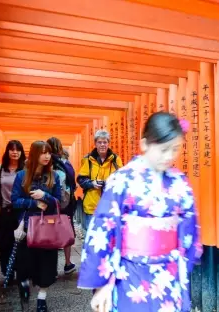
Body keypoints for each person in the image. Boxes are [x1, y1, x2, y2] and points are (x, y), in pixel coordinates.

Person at [77, 112, 202, 312]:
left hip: (168, 273)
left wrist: (182, 267)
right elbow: (102, 229)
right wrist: (102, 285)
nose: (169, 156)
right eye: (163, 150)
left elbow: (189, 229)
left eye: (175, 149)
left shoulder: (180, 182)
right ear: (144, 144)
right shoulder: (122, 180)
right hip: (130, 272)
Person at [11, 141, 62, 312]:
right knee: (25, 265)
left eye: (48, 153)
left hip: (48, 228)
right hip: (28, 227)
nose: (47, 156)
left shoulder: (54, 176)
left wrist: (45, 196)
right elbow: (15, 201)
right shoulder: (21, 176)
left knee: (46, 266)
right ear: (34, 154)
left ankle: (42, 299)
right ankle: (24, 284)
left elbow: (59, 202)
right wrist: (33, 202)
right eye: (43, 153)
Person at [77, 129, 123, 231]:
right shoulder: (88, 159)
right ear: (95, 143)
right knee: (92, 236)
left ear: (108, 143)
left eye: (105, 142)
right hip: (92, 204)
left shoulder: (115, 160)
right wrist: (91, 183)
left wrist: (110, 183)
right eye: (99, 142)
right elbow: (81, 179)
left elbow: (122, 179)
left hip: (110, 205)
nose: (102, 145)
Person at [0, 140, 26, 284]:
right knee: (4, 243)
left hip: (20, 211)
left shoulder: (25, 169)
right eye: (12, 149)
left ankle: (21, 271)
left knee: (20, 242)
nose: (15, 152)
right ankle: (7, 270)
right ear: (7, 151)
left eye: (18, 150)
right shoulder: (0, 168)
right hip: (5, 211)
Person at [47, 137, 77, 275]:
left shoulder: (47, 163)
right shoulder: (67, 163)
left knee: (50, 231)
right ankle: (67, 263)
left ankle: (51, 266)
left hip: (50, 202)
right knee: (66, 230)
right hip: (67, 202)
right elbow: (73, 182)